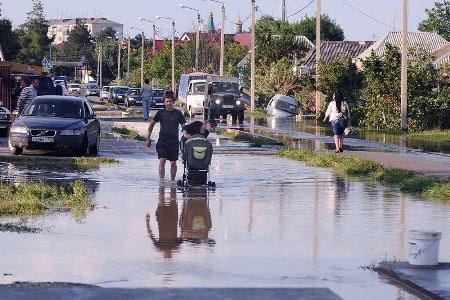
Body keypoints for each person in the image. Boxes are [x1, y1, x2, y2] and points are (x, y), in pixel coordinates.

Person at [146, 92, 186, 184]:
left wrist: (186, 135)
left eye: (170, 101)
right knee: (162, 160)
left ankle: (172, 181)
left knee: (173, 162)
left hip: (174, 142)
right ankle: (162, 181)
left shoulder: (178, 114)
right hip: (162, 141)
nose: (169, 103)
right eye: (167, 101)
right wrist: (148, 138)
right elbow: (151, 124)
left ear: (173, 102)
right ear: (164, 102)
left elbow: (184, 126)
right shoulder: (160, 113)